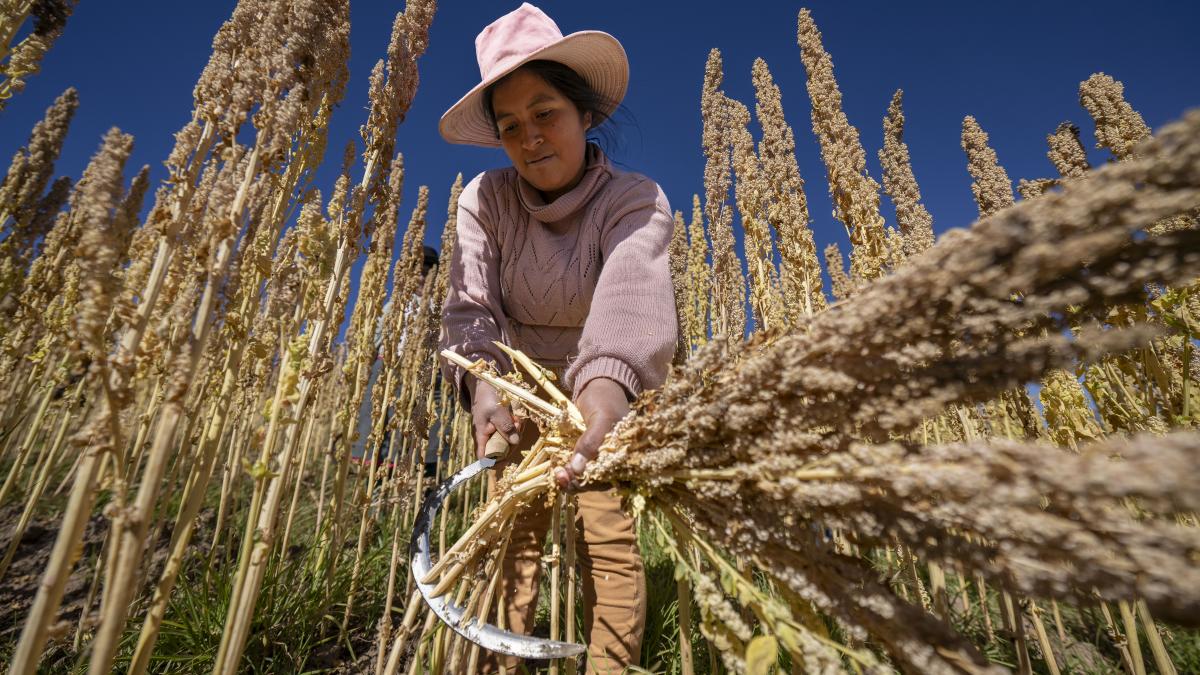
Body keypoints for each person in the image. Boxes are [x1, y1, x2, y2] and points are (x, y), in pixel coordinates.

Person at [437, 3, 677, 672]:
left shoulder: (635, 201)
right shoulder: (483, 201)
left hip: (602, 397)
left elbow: (632, 298)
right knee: (508, 541)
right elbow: (470, 308)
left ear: (584, 114)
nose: (531, 137)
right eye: (511, 126)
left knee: (608, 538)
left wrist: (601, 399)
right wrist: (484, 387)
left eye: (546, 114)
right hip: (514, 398)